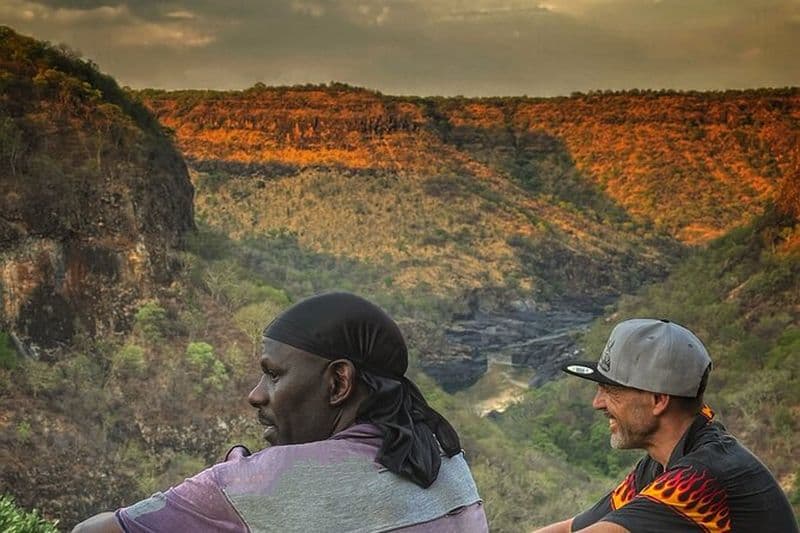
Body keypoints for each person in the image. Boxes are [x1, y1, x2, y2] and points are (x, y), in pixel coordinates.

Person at [73, 292, 488, 532]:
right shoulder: (446, 458)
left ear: (338, 383)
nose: (256, 395)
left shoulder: (260, 483)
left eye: (273, 375)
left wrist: (234, 475)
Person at [535, 318, 799, 533]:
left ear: (658, 400)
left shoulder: (700, 479)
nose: (597, 403)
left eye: (611, 391)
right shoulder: (661, 463)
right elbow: (572, 528)